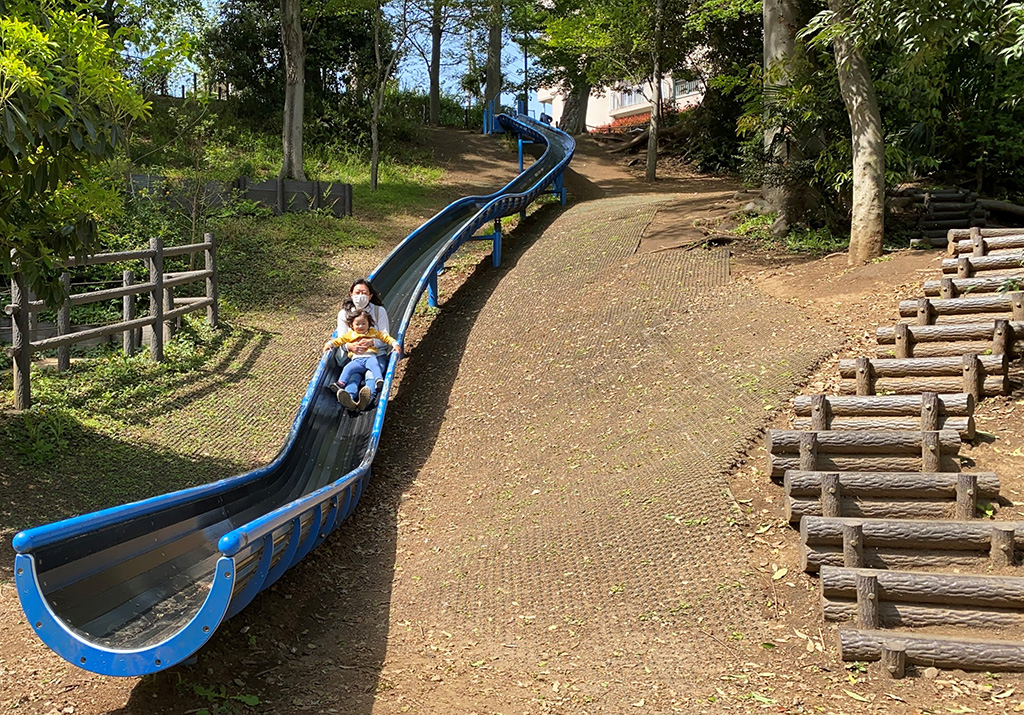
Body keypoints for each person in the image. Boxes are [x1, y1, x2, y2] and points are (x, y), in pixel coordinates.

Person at [323, 310, 402, 410]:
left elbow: (385, 337)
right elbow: (339, 340)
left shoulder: (373, 333)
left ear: (369, 324)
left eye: (364, 323)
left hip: (370, 357)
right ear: (351, 325)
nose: (361, 326)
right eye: (357, 324)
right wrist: (329, 344)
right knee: (348, 369)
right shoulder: (350, 335)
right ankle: (345, 391)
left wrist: (395, 344)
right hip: (357, 361)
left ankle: (377, 381)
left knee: (374, 367)